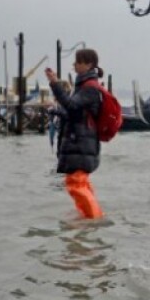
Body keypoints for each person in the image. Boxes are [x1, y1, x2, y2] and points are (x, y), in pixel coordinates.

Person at [44, 48, 104, 219]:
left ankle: (93, 219)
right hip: (80, 142)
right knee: (80, 182)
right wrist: (55, 110)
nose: (74, 65)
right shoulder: (83, 85)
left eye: (78, 61)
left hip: (81, 142)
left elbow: (71, 105)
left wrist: (55, 83)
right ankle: (87, 218)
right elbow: (74, 113)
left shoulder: (90, 88)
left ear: (88, 64)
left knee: (75, 183)